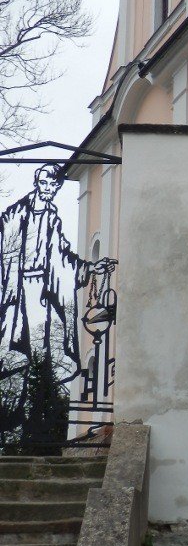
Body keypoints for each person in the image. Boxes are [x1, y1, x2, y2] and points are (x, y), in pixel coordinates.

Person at [0, 164, 114, 442]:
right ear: (37, 183)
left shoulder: (52, 218)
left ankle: (32, 414)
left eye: (53, 186)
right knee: (13, 350)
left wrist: (89, 268)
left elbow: (62, 256)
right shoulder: (15, 215)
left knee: (43, 349)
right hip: (18, 289)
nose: (49, 189)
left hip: (43, 289)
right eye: (45, 183)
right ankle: (13, 414)